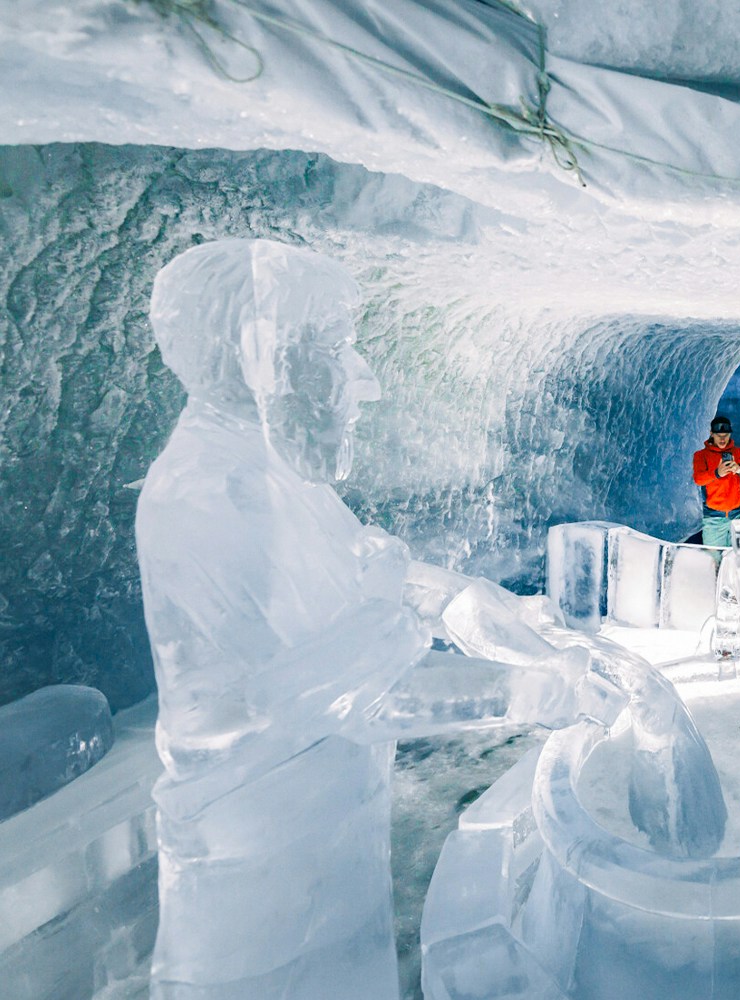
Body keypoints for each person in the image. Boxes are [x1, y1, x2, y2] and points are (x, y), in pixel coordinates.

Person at [135, 239, 628, 1000]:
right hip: (259, 918)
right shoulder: (208, 495)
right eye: (334, 348)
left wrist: (519, 628)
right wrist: (526, 694)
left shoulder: (280, 479)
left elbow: (401, 588)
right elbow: (344, 695)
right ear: (260, 353)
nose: (362, 383)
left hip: (325, 872)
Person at [692, 414, 740, 546]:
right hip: (714, 519)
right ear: (711, 434)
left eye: (725, 434)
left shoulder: (739, 452)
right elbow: (698, 479)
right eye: (719, 435)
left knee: (739, 558)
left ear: (730, 435)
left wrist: (739, 469)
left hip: (738, 516)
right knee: (714, 560)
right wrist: (716, 473)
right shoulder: (701, 455)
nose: (722, 438)